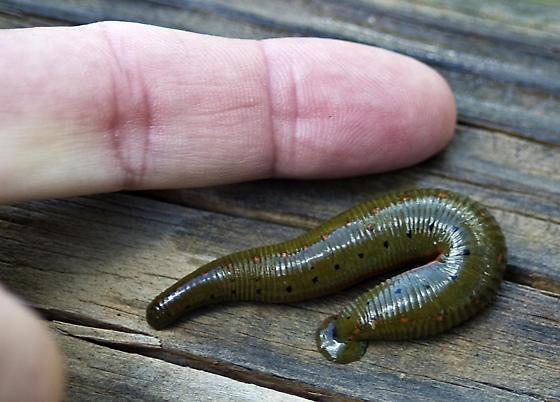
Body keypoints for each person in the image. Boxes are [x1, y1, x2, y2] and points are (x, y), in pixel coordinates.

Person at [0, 21, 456, 401]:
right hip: (427, 225)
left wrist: (354, 327)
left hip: (442, 228)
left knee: (296, 267)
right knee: (290, 268)